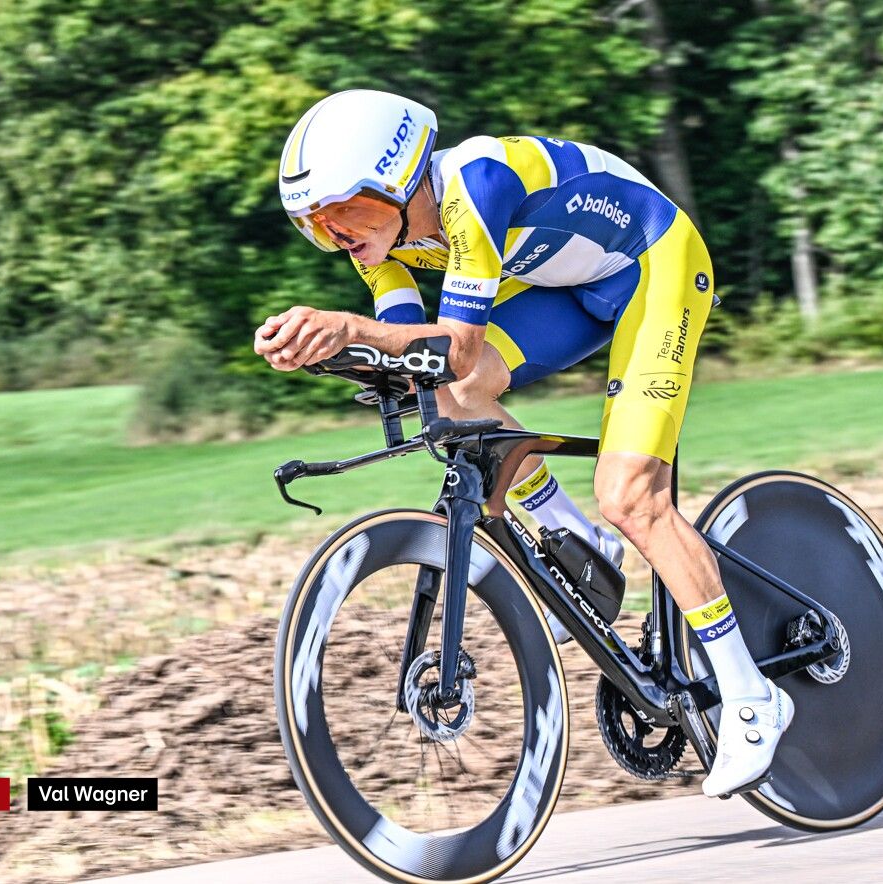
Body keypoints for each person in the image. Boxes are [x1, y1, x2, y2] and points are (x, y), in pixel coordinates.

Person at [255, 89, 791, 798]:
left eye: (345, 210)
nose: (336, 233)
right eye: (316, 225)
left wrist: (349, 329)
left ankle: (753, 695)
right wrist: (326, 351)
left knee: (631, 496)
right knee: (453, 398)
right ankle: (580, 543)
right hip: (567, 286)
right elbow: (418, 357)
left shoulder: (475, 187)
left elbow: (454, 347)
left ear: (400, 178)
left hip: (654, 264)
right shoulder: (376, 240)